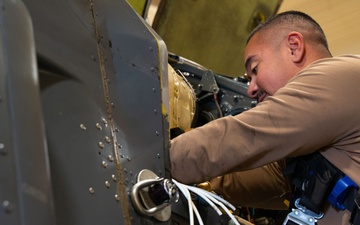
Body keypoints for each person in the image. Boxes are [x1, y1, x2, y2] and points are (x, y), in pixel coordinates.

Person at [169, 10, 360, 225]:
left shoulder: (340, 77)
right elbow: (244, 177)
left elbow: (242, 137)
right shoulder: (304, 151)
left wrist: (156, 157)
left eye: (255, 69)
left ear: (294, 47)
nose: (251, 89)